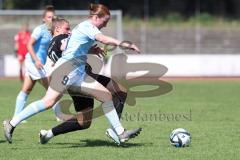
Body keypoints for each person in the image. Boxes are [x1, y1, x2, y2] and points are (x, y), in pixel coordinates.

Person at [3, 3, 141, 144]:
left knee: (106, 96)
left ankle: (120, 132)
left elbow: (73, 47)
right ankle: (12, 123)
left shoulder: (83, 29)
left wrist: (91, 50)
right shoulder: (87, 27)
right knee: (48, 102)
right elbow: (103, 39)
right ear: (96, 17)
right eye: (104, 21)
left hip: (79, 73)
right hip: (66, 70)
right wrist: (126, 44)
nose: (105, 25)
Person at [40, 17, 130, 145]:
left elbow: (73, 52)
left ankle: (48, 134)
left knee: (119, 92)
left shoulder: (60, 42)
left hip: (85, 76)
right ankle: (117, 130)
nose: (69, 31)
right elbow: (67, 56)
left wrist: (90, 50)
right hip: (79, 79)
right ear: (57, 29)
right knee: (86, 120)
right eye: (67, 28)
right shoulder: (59, 40)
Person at [12, 5, 55, 119]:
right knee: (51, 89)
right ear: (44, 19)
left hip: (41, 64)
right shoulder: (39, 29)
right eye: (49, 17)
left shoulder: (53, 31)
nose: (52, 19)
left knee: (26, 89)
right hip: (33, 62)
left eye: (53, 17)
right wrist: (36, 60)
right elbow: (29, 44)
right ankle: (60, 116)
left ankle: (16, 117)